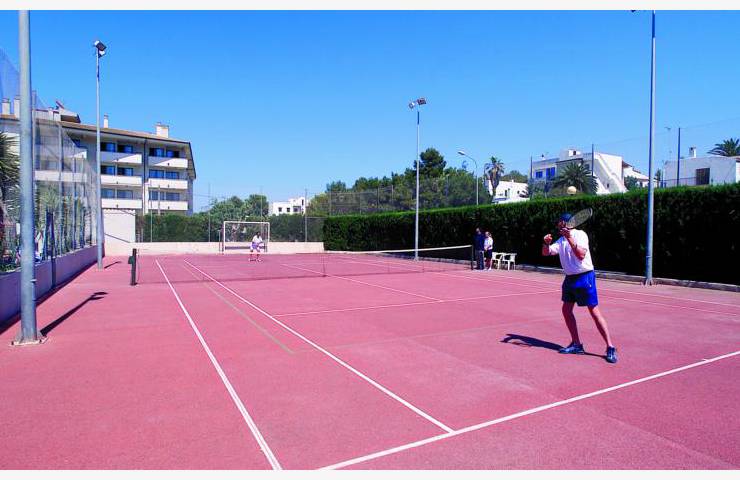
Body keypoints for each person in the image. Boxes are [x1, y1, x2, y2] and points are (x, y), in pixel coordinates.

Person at [542, 213, 617, 364]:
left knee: (594, 312)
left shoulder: (580, 234)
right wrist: (546, 244)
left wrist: (569, 238)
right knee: (566, 310)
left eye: (559, 222)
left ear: (565, 223)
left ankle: (610, 347)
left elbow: (581, 255)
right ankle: (576, 344)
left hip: (584, 277)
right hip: (569, 279)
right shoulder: (560, 240)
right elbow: (546, 253)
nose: (557, 225)